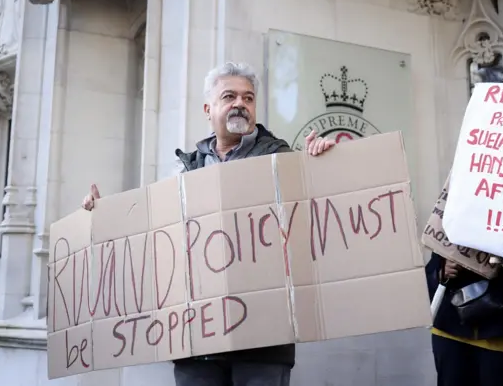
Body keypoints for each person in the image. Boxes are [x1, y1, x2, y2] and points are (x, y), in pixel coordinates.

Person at [81, 62, 336, 386]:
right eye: (229, 96)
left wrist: (321, 166)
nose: (240, 104)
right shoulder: (185, 170)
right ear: (208, 108)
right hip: (195, 343)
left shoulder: (282, 161)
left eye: (248, 98)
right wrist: (100, 216)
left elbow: (314, 217)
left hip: (262, 343)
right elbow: (149, 231)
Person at [425, 253, 503, 386]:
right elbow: (426, 280)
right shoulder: (452, 233)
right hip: (451, 333)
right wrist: (441, 272)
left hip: (502, 337)